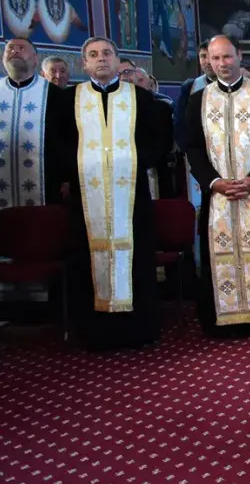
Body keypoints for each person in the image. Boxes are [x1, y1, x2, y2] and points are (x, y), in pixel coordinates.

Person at [46, 37, 171, 351]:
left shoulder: (140, 97)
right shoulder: (69, 100)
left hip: (132, 193)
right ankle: (95, 332)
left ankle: (139, 329)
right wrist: (76, 168)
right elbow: (57, 142)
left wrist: (134, 161)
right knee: (86, 257)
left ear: (117, 61)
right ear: (84, 64)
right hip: (85, 196)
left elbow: (159, 140)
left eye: (106, 53)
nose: (100, 59)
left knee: (137, 255)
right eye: (93, 55)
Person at [185, 36, 250, 338]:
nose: (222, 64)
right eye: (215, 58)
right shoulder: (198, 100)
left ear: (239, 56)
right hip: (218, 196)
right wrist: (215, 182)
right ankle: (225, 322)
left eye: (227, 57)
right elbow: (192, 148)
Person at [0, 38, 63, 209]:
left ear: (35, 59)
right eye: (10, 48)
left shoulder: (55, 95)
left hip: (46, 187)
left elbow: (65, 141)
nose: (15, 51)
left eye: (21, 48)